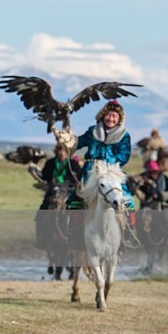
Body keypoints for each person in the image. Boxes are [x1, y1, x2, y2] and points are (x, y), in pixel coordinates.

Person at [58, 100, 137, 243]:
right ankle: (74, 232)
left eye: (115, 116)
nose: (111, 119)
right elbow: (78, 143)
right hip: (90, 171)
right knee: (76, 200)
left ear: (119, 119)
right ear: (103, 115)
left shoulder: (124, 136)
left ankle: (128, 232)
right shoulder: (92, 131)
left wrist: (108, 162)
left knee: (127, 200)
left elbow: (124, 155)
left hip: (112, 171)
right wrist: (67, 140)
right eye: (109, 115)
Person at [137, 160, 168, 250]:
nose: (153, 174)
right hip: (148, 205)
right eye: (151, 172)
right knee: (140, 217)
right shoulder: (143, 180)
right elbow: (140, 192)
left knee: (167, 217)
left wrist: (160, 195)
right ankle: (141, 240)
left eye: (155, 172)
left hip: (163, 204)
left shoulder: (165, 179)